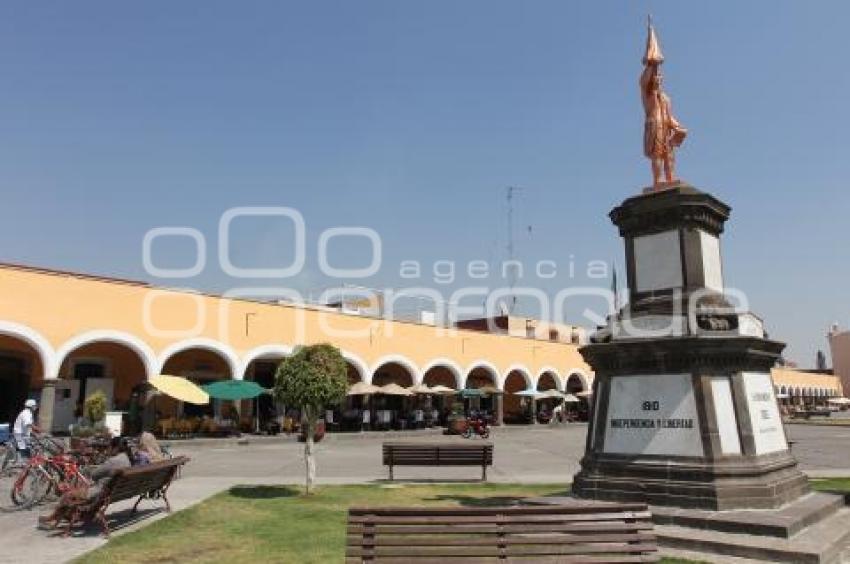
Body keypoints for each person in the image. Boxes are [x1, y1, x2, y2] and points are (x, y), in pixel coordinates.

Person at [38, 437, 133, 530]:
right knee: (74, 493)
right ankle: (64, 515)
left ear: (115, 448)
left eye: (109, 447)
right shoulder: (126, 460)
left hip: (98, 493)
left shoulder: (113, 461)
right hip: (111, 493)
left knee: (68, 495)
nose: (108, 449)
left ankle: (52, 518)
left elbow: (94, 475)